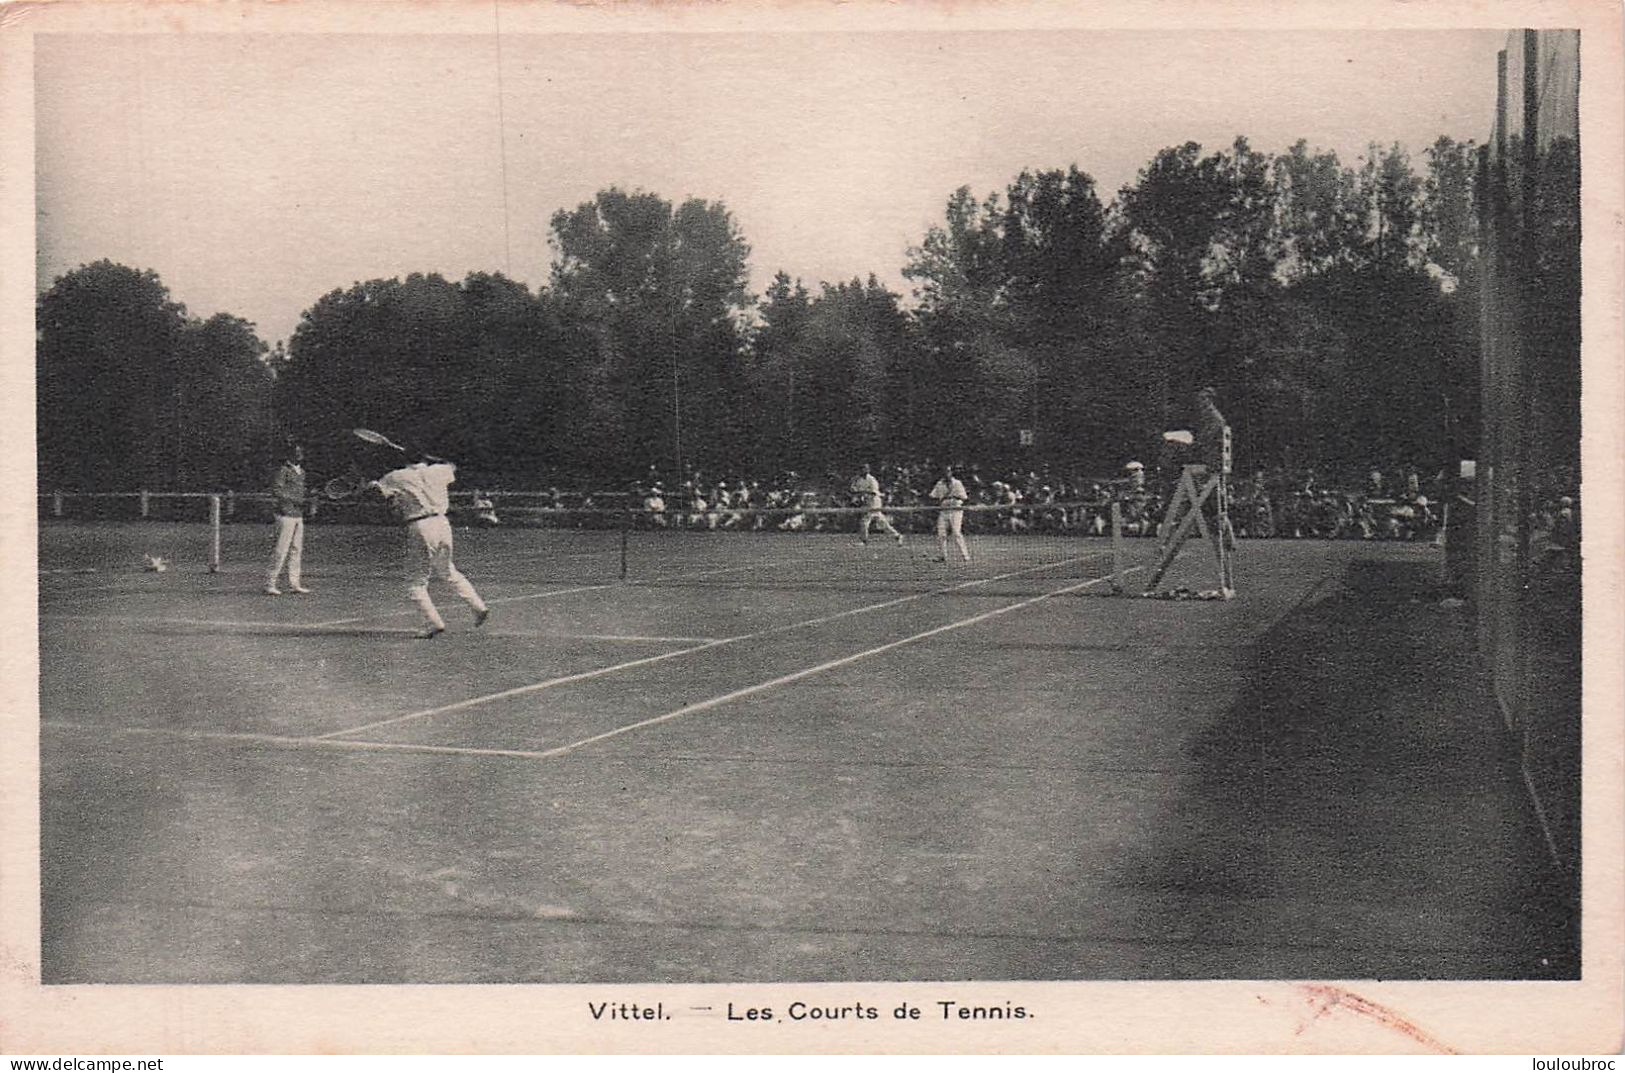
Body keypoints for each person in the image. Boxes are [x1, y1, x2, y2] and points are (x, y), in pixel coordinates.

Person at [370, 455, 490, 640]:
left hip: (420, 525)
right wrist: (434, 458)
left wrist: (371, 485)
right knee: (448, 570)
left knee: (415, 581)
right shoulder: (439, 470)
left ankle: (433, 622)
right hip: (443, 524)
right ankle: (478, 606)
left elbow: (378, 495)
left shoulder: (395, 476)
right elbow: (453, 465)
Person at [265, 444, 311, 595]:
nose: (299, 455)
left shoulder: (302, 472)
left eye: (301, 452)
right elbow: (276, 490)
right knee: (280, 550)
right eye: (296, 453)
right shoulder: (283, 470)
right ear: (289, 455)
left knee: (296, 549)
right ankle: (270, 584)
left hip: (298, 515)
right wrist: (294, 500)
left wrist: (305, 499)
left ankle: (294, 583)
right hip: (284, 515)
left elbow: (301, 493)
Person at [851, 463, 904, 546]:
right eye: (861, 469)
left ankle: (864, 541)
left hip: (874, 502)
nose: (863, 470)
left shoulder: (872, 479)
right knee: (881, 522)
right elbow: (854, 489)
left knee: (865, 521)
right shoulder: (859, 480)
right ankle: (897, 535)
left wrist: (862, 493)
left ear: (868, 470)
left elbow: (873, 493)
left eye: (865, 469)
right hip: (867, 502)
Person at [929, 465, 971, 563]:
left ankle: (965, 555)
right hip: (944, 511)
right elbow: (933, 496)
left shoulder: (957, 483)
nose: (946, 474)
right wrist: (940, 501)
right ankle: (943, 556)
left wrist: (953, 497)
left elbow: (964, 497)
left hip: (956, 510)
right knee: (941, 534)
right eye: (944, 472)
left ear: (951, 472)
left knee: (956, 532)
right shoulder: (939, 484)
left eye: (948, 471)